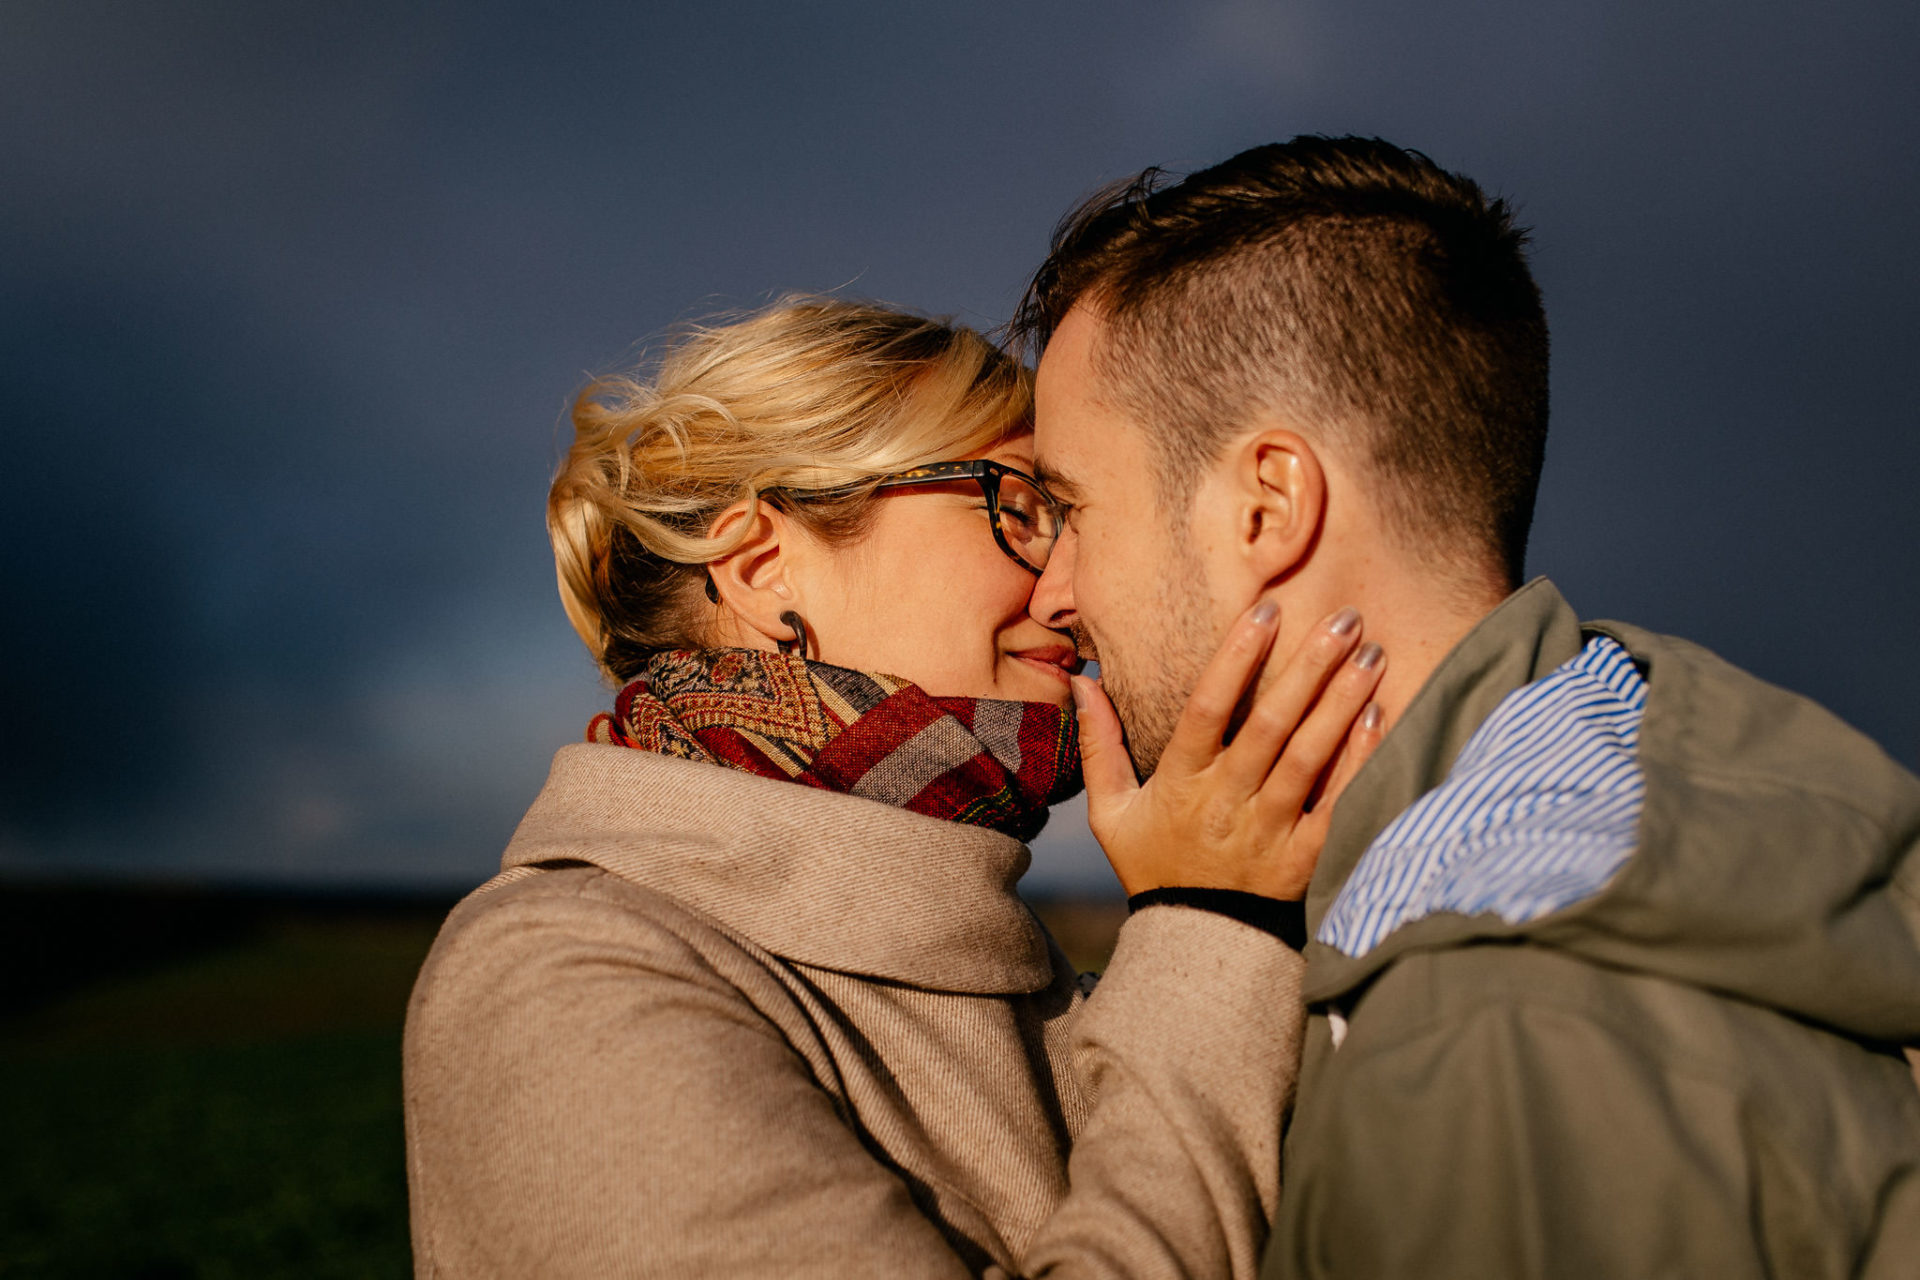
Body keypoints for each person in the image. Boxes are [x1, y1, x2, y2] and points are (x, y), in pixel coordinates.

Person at [1013, 136, 1920, 1278]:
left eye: (1071, 509)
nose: (1050, 594)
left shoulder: (1490, 1038)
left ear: (1267, 507)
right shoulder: (1658, 751)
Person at [402, 297, 1389, 1279]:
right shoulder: (563, 974)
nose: (1070, 588)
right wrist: (1212, 922)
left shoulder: (1017, 969)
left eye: (1071, 518)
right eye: (1018, 510)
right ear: (763, 567)